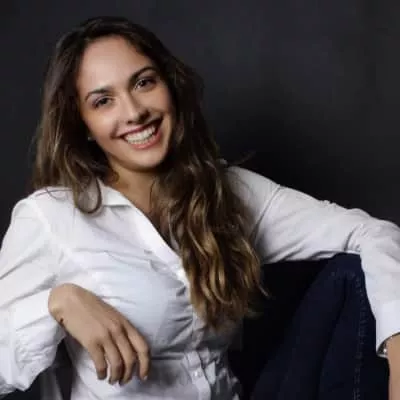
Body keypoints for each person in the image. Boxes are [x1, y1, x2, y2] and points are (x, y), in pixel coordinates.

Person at [0, 15, 400, 400]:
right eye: (103, 101)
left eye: (144, 82)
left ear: (170, 85)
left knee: (352, 276)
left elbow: (371, 233)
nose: (134, 112)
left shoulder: (226, 191)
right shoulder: (50, 218)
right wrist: (57, 305)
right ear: (83, 124)